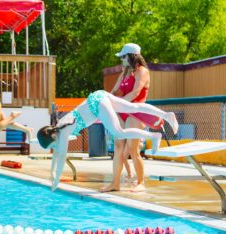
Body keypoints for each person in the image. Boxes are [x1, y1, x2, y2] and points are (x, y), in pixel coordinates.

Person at [37, 90, 178, 192]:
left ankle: (154, 136)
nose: (56, 147)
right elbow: (57, 154)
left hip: (97, 105)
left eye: (53, 144)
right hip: (98, 96)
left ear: (53, 138)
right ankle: (166, 115)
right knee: (133, 107)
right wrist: (52, 173)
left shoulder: (62, 133)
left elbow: (61, 156)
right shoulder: (58, 127)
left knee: (120, 133)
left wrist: (56, 181)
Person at [105, 43, 152, 192]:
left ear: (132, 56)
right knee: (118, 147)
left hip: (135, 112)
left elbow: (135, 93)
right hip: (122, 111)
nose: (121, 59)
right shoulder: (125, 72)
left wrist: (119, 103)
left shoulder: (142, 72)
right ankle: (115, 183)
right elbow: (114, 91)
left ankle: (141, 183)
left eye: (123, 56)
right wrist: (108, 100)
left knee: (133, 149)